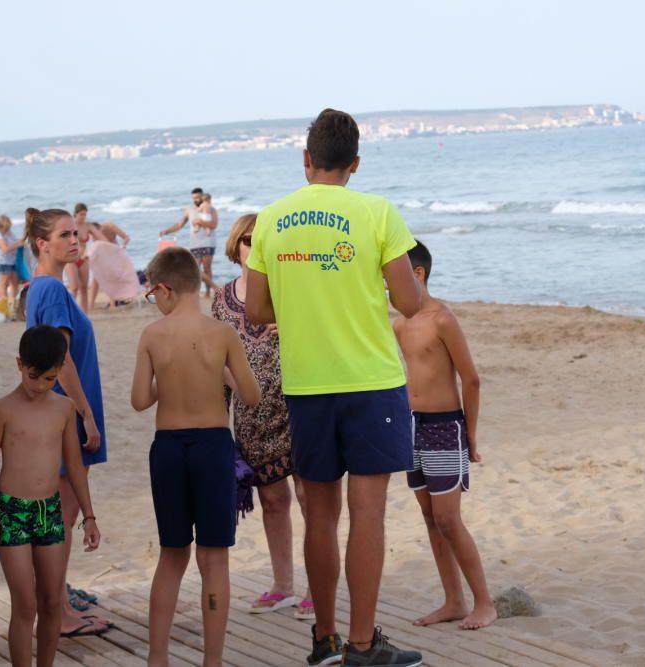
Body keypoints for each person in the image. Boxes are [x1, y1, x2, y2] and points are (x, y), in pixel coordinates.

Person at [245, 108, 424, 667]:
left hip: (307, 385)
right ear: (355, 164)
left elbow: (254, 310)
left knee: (319, 515)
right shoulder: (377, 212)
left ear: (306, 160)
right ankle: (365, 645)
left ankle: (324, 641)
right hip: (371, 381)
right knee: (367, 512)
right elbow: (410, 302)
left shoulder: (272, 219)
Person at [131, 246, 260, 667]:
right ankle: (213, 661)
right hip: (212, 447)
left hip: (168, 448)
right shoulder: (221, 334)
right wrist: (219, 371)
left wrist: (167, 381)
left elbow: (138, 400)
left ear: (165, 289)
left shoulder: (152, 335)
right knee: (213, 557)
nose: (155, 302)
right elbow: (252, 396)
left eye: (153, 295)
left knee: (172, 554)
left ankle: (157, 657)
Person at [0, 325, 101, 667]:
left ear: (60, 371)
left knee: (50, 602)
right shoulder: (2, 410)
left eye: (50, 378)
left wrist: (89, 516)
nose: (41, 386)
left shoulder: (64, 408)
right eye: (34, 377)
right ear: (19, 364)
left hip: (50, 511)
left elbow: (74, 467)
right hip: (11, 511)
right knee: (25, 603)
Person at [211, 213, 313, 619]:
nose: (255, 246)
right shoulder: (220, 298)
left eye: (262, 239)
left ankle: (315, 589)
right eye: (249, 239)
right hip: (251, 417)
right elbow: (214, 356)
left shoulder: (290, 290)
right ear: (236, 245)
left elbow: (319, 335)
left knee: (309, 498)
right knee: (272, 500)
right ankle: (282, 585)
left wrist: (292, 327)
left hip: (296, 406)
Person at [17, 207, 111, 637]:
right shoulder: (52, 291)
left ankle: (54, 605)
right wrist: (86, 414)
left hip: (54, 414)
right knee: (62, 520)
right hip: (66, 414)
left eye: (76, 234)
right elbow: (61, 358)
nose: (75, 241)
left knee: (54, 518)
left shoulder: (38, 288)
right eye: (64, 235)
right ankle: (60, 616)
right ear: (42, 243)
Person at [393, 241, 496, 631]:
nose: (389, 286)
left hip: (445, 427)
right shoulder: (400, 323)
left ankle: (484, 602)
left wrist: (470, 434)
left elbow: (471, 379)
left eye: (395, 278)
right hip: (412, 427)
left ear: (417, 274)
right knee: (429, 516)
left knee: (449, 519)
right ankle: (453, 600)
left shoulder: (442, 319)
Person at [159, 188, 217, 297]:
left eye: (197, 197)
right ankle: (200, 290)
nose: (195, 200)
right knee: (194, 269)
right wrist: (166, 231)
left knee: (207, 267)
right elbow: (179, 225)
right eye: (193, 198)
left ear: (202, 196)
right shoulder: (189, 210)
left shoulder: (210, 208)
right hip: (194, 243)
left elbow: (214, 225)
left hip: (208, 242)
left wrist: (200, 222)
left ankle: (208, 292)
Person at [87, 221, 135, 309]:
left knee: (111, 278)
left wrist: (123, 246)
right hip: (102, 254)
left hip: (114, 252)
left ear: (99, 228)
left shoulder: (110, 226)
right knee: (96, 279)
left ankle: (113, 304)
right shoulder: (93, 235)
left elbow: (126, 237)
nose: (95, 236)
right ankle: (91, 305)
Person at [65, 203, 93, 311]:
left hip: (83, 259)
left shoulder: (87, 226)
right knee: (74, 287)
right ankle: (70, 312)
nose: (83, 217)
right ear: (75, 214)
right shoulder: (70, 226)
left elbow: (100, 238)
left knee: (84, 289)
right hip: (71, 259)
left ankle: (84, 315)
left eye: (85, 214)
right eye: (81, 214)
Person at [0, 214, 22, 307]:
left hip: (11, 260)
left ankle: (15, 304)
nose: (7, 230)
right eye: (5, 229)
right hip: (2, 261)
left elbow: (15, 240)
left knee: (15, 282)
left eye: (8, 228)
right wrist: (17, 244)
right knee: (4, 283)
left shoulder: (7, 231)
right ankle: (4, 306)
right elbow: (5, 249)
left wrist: (20, 242)